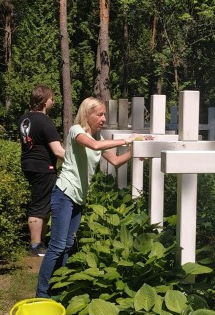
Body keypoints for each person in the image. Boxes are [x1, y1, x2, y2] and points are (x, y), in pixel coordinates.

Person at [36, 97, 148, 298]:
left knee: (69, 244)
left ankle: (58, 289)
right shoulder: (76, 131)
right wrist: (127, 139)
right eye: (100, 114)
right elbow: (94, 147)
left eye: (104, 114)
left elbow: (114, 161)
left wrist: (135, 151)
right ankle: (42, 294)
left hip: (79, 197)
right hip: (64, 193)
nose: (103, 118)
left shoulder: (99, 138)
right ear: (87, 114)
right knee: (58, 245)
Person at [18, 85, 65, 257]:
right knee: (39, 206)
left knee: (43, 203)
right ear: (45, 101)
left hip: (29, 165)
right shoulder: (45, 121)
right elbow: (58, 151)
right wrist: (75, 162)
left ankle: (40, 243)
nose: (53, 102)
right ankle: (35, 246)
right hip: (43, 168)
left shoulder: (24, 119)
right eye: (52, 99)